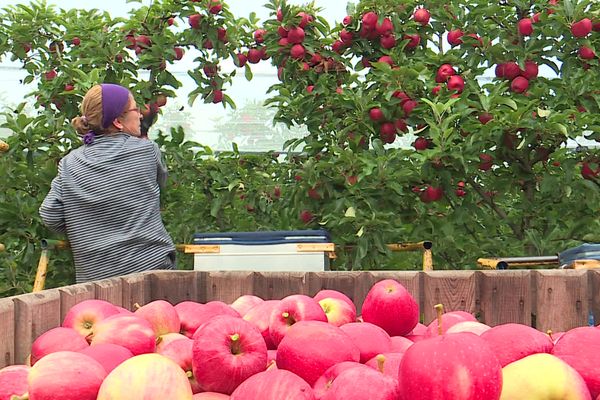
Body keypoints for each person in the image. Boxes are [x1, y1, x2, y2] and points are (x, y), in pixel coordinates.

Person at [39, 83, 175, 283]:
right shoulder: (147, 151)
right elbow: (160, 184)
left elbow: (50, 214)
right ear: (118, 121)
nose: (140, 115)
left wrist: (87, 226)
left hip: (96, 280)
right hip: (151, 273)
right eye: (135, 109)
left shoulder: (70, 163)